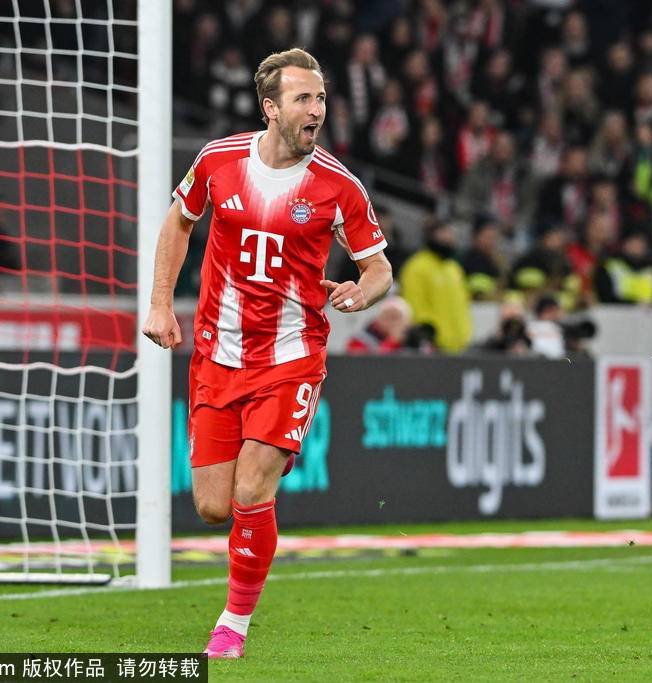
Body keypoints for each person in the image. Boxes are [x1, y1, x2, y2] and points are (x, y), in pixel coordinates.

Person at [142, 48, 393, 659]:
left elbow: (379, 267)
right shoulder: (218, 160)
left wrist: (362, 292)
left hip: (291, 354)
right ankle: (272, 452)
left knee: (252, 490)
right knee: (212, 506)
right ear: (271, 108)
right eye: (304, 98)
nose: (317, 110)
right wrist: (159, 305)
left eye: (322, 98)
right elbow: (179, 222)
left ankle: (232, 626)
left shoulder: (338, 185)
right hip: (218, 352)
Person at [398, 219, 472, 353]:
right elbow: (414, 305)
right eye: (444, 234)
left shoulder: (454, 268)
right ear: (431, 236)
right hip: (434, 347)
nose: (449, 238)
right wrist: (428, 335)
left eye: (450, 234)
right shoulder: (416, 267)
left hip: (459, 346)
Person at [595, 230, 652, 305]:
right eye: (634, 243)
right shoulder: (611, 267)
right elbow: (605, 298)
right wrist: (635, 303)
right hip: (616, 311)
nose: (638, 247)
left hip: (649, 312)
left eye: (641, 243)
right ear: (624, 244)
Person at [345, 296, 412, 354]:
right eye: (387, 317)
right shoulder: (360, 340)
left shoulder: (413, 340)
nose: (391, 322)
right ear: (378, 319)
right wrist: (392, 341)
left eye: (396, 317)